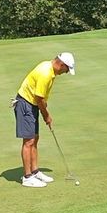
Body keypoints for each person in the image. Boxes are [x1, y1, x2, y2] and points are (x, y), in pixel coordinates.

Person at [13, 52, 75, 187]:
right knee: (29, 141)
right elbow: (39, 98)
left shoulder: (49, 68)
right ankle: (27, 177)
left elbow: (41, 98)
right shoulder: (46, 73)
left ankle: (35, 172)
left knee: (34, 138)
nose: (65, 72)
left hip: (32, 104)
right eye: (66, 69)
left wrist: (44, 108)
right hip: (25, 104)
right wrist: (46, 115)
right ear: (61, 64)